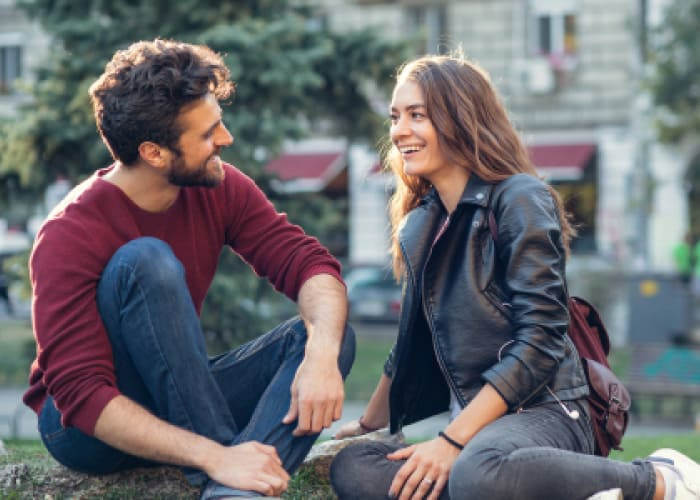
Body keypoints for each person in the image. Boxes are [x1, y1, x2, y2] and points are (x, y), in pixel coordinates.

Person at [329, 54, 700, 500]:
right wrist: (368, 427)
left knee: (478, 470)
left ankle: (658, 479)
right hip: (481, 427)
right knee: (354, 467)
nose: (399, 131)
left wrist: (451, 441)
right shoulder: (421, 224)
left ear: (459, 118)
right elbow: (409, 345)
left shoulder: (518, 198)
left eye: (417, 115)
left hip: (550, 410)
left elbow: (541, 340)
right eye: (395, 117)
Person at [24, 39, 355, 499]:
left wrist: (320, 356)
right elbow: (81, 395)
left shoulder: (220, 186)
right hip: (87, 429)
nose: (226, 139)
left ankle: (231, 493)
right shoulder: (69, 232)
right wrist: (216, 454)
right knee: (146, 261)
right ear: (155, 153)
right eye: (207, 134)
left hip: (180, 401)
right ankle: (224, 463)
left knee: (325, 336)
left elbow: (308, 263)